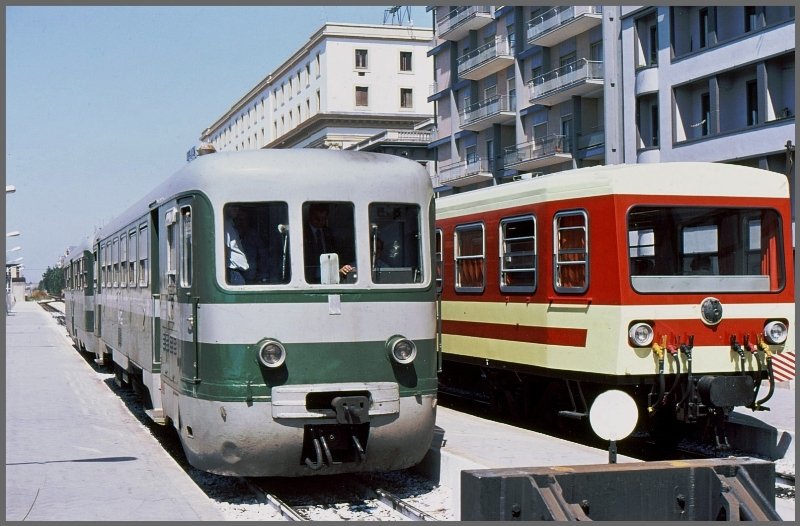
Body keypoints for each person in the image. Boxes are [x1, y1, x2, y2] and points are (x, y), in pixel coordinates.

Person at [303, 204, 354, 283]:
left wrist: (341, 267)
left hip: (329, 278)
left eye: (323, 219)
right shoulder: (302, 233)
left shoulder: (328, 233)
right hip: (308, 280)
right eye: (317, 219)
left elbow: (336, 252)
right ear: (310, 216)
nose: (320, 222)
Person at [225, 205, 249, 285]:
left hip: (237, 273)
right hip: (233, 273)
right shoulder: (225, 225)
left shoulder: (230, 224)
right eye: (231, 206)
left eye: (237, 206)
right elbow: (223, 249)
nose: (236, 208)